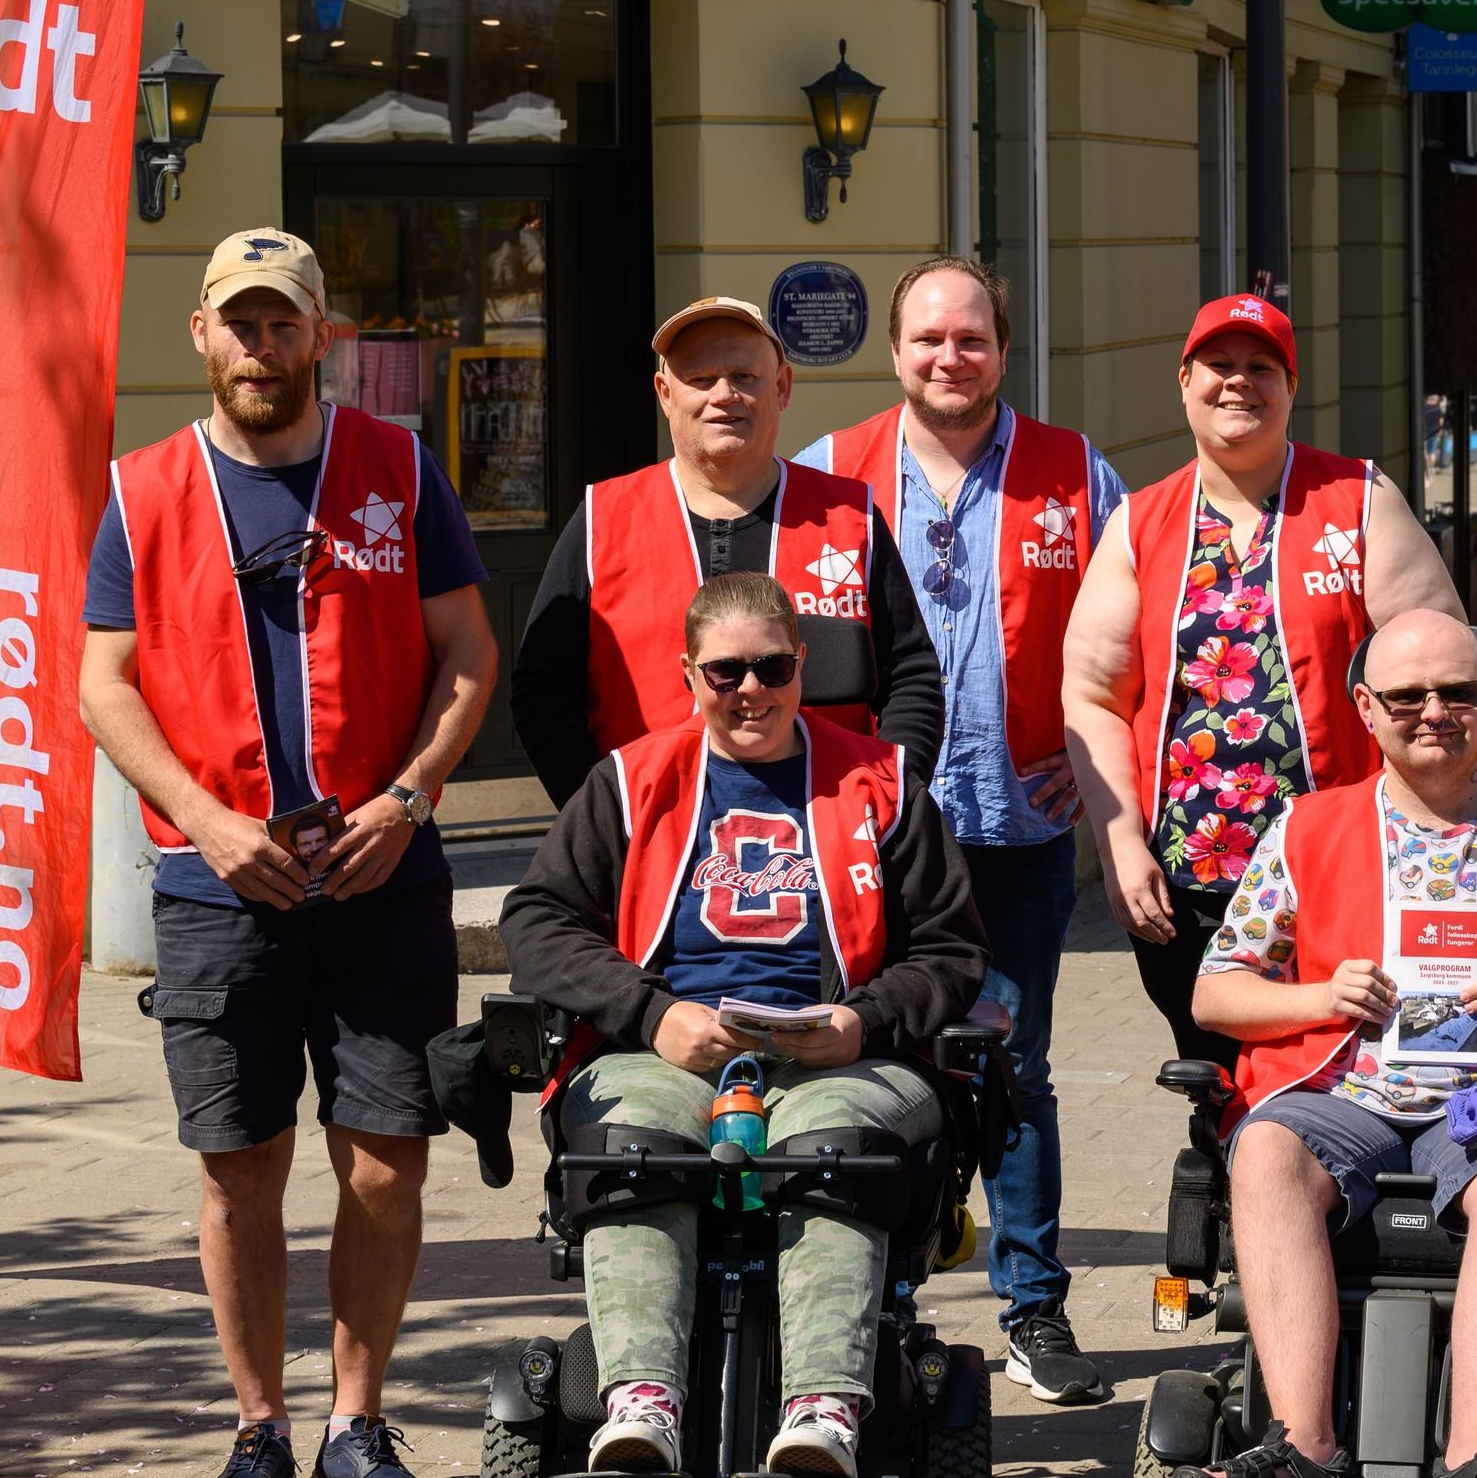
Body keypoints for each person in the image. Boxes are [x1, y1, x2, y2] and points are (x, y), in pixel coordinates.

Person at [79, 229, 499, 1478]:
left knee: (386, 1162)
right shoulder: (142, 488)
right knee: (237, 1168)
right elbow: (104, 682)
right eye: (240, 323)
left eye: (283, 324)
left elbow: (467, 652)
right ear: (201, 334)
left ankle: (354, 1422)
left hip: (383, 877)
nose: (261, 348)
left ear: (323, 335)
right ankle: (258, 1424)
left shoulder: (398, 468)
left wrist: (409, 798)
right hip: (219, 886)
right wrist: (204, 819)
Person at [500, 574, 987, 1477]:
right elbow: (535, 921)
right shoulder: (630, 781)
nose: (750, 689)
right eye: (726, 672)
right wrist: (652, 1014)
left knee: (831, 1149)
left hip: (843, 1056)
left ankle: (823, 1409)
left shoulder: (882, 782)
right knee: (633, 1142)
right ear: (689, 675)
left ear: (802, 665)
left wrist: (862, 1021)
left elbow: (953, 950)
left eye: (772, 667)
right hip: (665, 1049)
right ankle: (642, 1402)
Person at [1183, 610, 1477, 1478]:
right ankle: (1302, 1448)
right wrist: (1318, 997)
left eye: (1457, 692)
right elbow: (1215, 993)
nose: (1434, 712)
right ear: (1367, 708)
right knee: (1262, 1151)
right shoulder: (1306, 828)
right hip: (1342, 1096)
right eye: (1407, 696)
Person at [795, 255, 1127, 1404]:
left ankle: (1032, 1306)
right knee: (875, 1057)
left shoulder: (1074, 472)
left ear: (1000, 350)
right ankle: (880, 1302)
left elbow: (1130, 634)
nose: (950, 356)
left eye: (971, 337)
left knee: (1012, 1064)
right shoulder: (825, 475)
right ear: (895, 351)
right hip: (868, 836)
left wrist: (1095, 757)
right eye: (929, 338)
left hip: (1017, 821)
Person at [1062, 293, 1463, 1071]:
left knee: (1341, 1075)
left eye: (1261, 367)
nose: (1238, 381)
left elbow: (1442, 672)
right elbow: (1094, 694)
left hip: (1344, 869)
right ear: (1185, 381)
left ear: (1290, 387)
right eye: (1218, 364)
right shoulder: (1140, 523)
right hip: (1190, 883)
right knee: (1214, 1079)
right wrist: (1118, 844)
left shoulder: (1358, 500)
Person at [510, 296, 942, 809]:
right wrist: (600, 817)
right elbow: (542, 691)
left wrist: (884, 802)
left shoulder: (850, 517)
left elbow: (912, 679)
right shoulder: (603, 518)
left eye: (744, 376)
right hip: (650, 834)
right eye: (700, 379)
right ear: (664, 393)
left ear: (781, 387)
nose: (723, 395)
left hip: (826, 836)